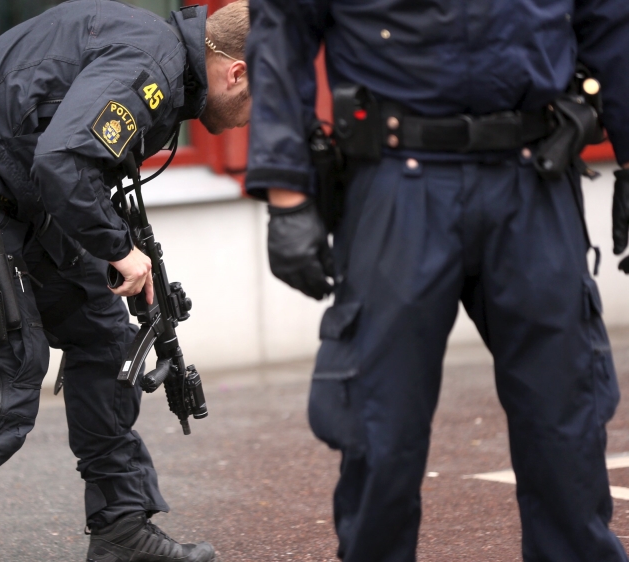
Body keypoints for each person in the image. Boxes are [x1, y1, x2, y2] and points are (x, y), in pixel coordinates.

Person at [0, 2, 251, 561]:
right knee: (2, 394)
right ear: (237, 72)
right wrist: (117, 250)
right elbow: (64, 161)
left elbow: (61, 157)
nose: (258, 119)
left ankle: (121, 533)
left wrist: (126, 255)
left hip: (13, 198)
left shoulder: (158, 57)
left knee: (106, 338)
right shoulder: (150, 64)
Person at [246, 0, 629, 560]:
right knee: (381, 432)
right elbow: (282, 28)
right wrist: (286, 194)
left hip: (534, 175)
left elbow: (612, 19)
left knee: (564, 421)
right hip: (398, 181)